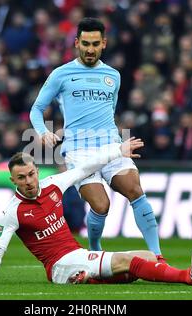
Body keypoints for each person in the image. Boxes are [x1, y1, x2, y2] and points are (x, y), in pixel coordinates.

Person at [0, 139, 192, 286]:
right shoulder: (13, 211)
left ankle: (90, 279)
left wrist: (118, 150)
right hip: (59, 266)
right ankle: (187, 276)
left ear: (36, 171)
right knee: (128, 261)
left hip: (77, 255)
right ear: (12, 180)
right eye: (21, 178)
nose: (29, 181)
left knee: (147, 257)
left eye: (32, 174)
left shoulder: (53, 184)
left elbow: (86, 167)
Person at [29, 17, 165, 262]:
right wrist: (43, 132)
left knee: (135, 190)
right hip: (79, 151)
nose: (89, 49)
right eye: (85, 43)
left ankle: (158, 255)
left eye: (94, 43)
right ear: (76, 43)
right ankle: (94, 246)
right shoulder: (61, 74)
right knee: (101, 205)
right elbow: (36, 109)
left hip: (112, 146)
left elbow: (109, 111)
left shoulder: (113, 75)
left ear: (103, 43)